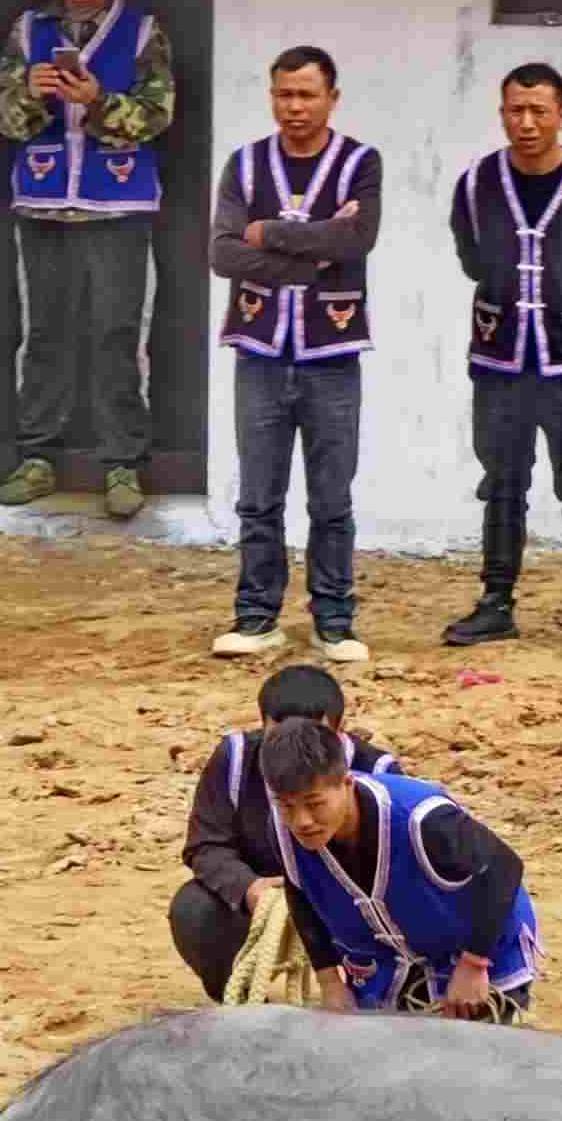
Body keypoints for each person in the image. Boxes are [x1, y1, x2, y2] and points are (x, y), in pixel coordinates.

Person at [0, 0, 173, 520]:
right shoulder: (28, 29)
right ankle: (37, 458)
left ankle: (123, 464)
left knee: (119, 335)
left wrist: (96, 101)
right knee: (43, 335)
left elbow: (158, 116)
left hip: (119, 207)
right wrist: (31, 92)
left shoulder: (142, 31)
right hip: (44, 206)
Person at [446, 62, 562, 663]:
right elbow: (472, 259)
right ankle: (496, 601)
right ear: (502, 114)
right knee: (502, 481)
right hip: (498, 360)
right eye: (515, 110)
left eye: (539, 111)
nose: (526, 123)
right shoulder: (476, 185)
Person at [208, 46, 383, 665]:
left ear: (332, 98)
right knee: (259, 496)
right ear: (271, 97)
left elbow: (358, 238)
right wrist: (314, 254)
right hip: (259, 351)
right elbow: (222, 253)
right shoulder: (246, 164)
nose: (295, 107)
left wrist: (269, 234)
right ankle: (257, 617)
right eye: (284, 94)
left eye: (307, 95)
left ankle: (334, 621)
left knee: (331, 499)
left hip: (332, 353)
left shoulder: (360, 163)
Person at [259, 717, 540, 1020]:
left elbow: (503, 867)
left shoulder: (422, 820)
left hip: (481, 948)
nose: (301, 821)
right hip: (392, 964)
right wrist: (329, 981)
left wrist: (474, 964)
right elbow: (301, 892)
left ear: (347, 783)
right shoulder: (282, 832)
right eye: (286, 806)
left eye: (314, 804)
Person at [169, 664, 402, 1001]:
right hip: (266, 898)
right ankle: (241, 999)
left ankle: (380, 995)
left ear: (339, 732)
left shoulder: (378, 772)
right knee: (195, 908)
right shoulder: (236, 758)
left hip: (350, 903)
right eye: (277, 738)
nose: (293, 752)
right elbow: (205, 845)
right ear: (262, 725)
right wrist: (249, 887)